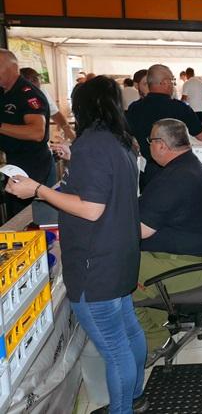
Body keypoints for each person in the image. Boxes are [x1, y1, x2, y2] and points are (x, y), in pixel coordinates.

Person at [6, 76, 147, 414]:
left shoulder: (92, 144)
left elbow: (91, 208)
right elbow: (106, 185)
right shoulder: (121, 141)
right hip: (119, 255)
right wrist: (75, 157)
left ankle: (123, 409)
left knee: (114, 350)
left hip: (95, 264)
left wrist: (37, 189)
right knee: (128, 333)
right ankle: (136, 397)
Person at [133, 119, 202, 351]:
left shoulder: (175, 178)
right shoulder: (188, 166)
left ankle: (156, 340)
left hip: (186, 266)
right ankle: (158, 322)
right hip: (191, 255)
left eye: (150, 141)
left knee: (114, 274)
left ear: (161, 144)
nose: (149, 145)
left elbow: (140, 230)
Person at [126, 64, 202, 187]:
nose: (173, 85)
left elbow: (127, 137)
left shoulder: (134, 108)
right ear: (164, 82)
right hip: (177, 172)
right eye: (171, 81)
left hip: (148, 171)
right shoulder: (180, 108)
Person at [0, 50, 54, 218]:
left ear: (12, 67)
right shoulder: (4, 93)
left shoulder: (28, 93)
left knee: (25, 216)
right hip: (12, 161)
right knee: (13, 214)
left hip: (32, 163)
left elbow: (37, 132)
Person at [20, 67, 76, 141]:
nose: (39, 85)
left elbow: (54, 112)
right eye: (34, 80)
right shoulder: (14, 94)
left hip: (40, 142)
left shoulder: (41, 91)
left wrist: (66, 127)